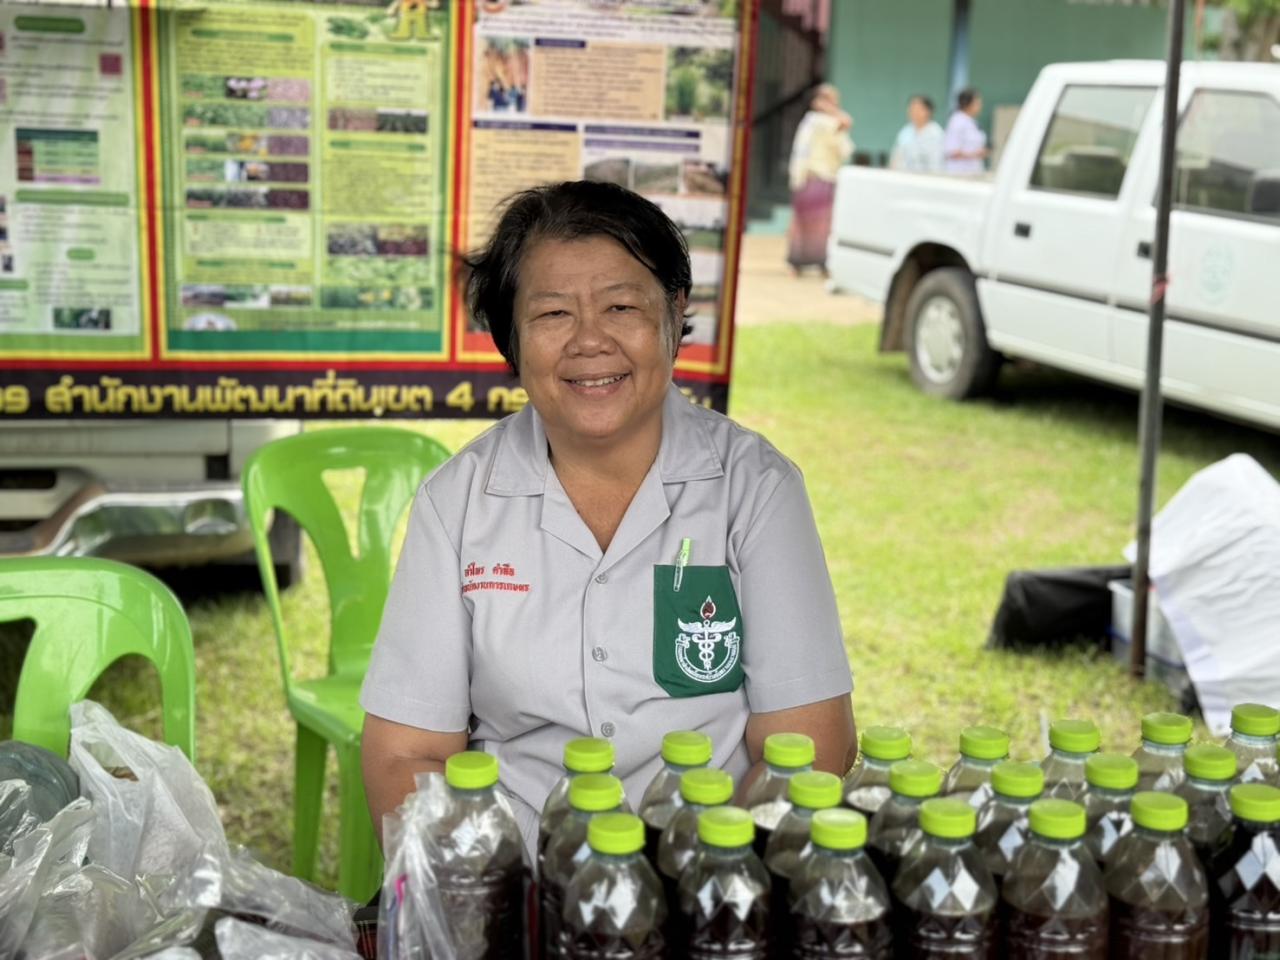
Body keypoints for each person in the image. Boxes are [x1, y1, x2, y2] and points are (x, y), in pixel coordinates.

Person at [360, 181, 857, 855]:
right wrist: (485, 889)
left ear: (673, 312)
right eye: (553, 313)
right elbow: (405, 754)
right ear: (511, 336)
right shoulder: (459, 503)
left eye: (621, 306)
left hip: (708, 874)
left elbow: (810, 745)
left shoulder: (755, 490)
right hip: (515, 873)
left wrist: (705, 884)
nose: (590, 341)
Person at [786, 83, 854, 275]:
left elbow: (845, 149)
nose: (832, 102)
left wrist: (835, 115)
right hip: (812, 177)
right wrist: (835, 114)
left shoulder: (830, 121)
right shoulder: (815, 121)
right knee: (807, 223)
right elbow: (846, 127)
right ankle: (799, 262)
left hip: (825, 177)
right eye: (827, 98)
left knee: (823, 224)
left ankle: (819, 262)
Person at [890, 95, 945, 174]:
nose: (914, 112)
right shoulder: (905, 131)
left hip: (926, 178)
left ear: (928, 111)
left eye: (918, 109)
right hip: (903, 177)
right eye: (911, 108)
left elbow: (937, 165)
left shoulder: (936, 133)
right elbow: (896, 157)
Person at [944, 87, 989, 175]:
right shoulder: (957, 121)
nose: (980, 106)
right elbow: (952, 151)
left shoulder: (972, 121)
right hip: (959, 172)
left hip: (974, 171)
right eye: (977, 103)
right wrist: (975, 154)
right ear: (966, 104)